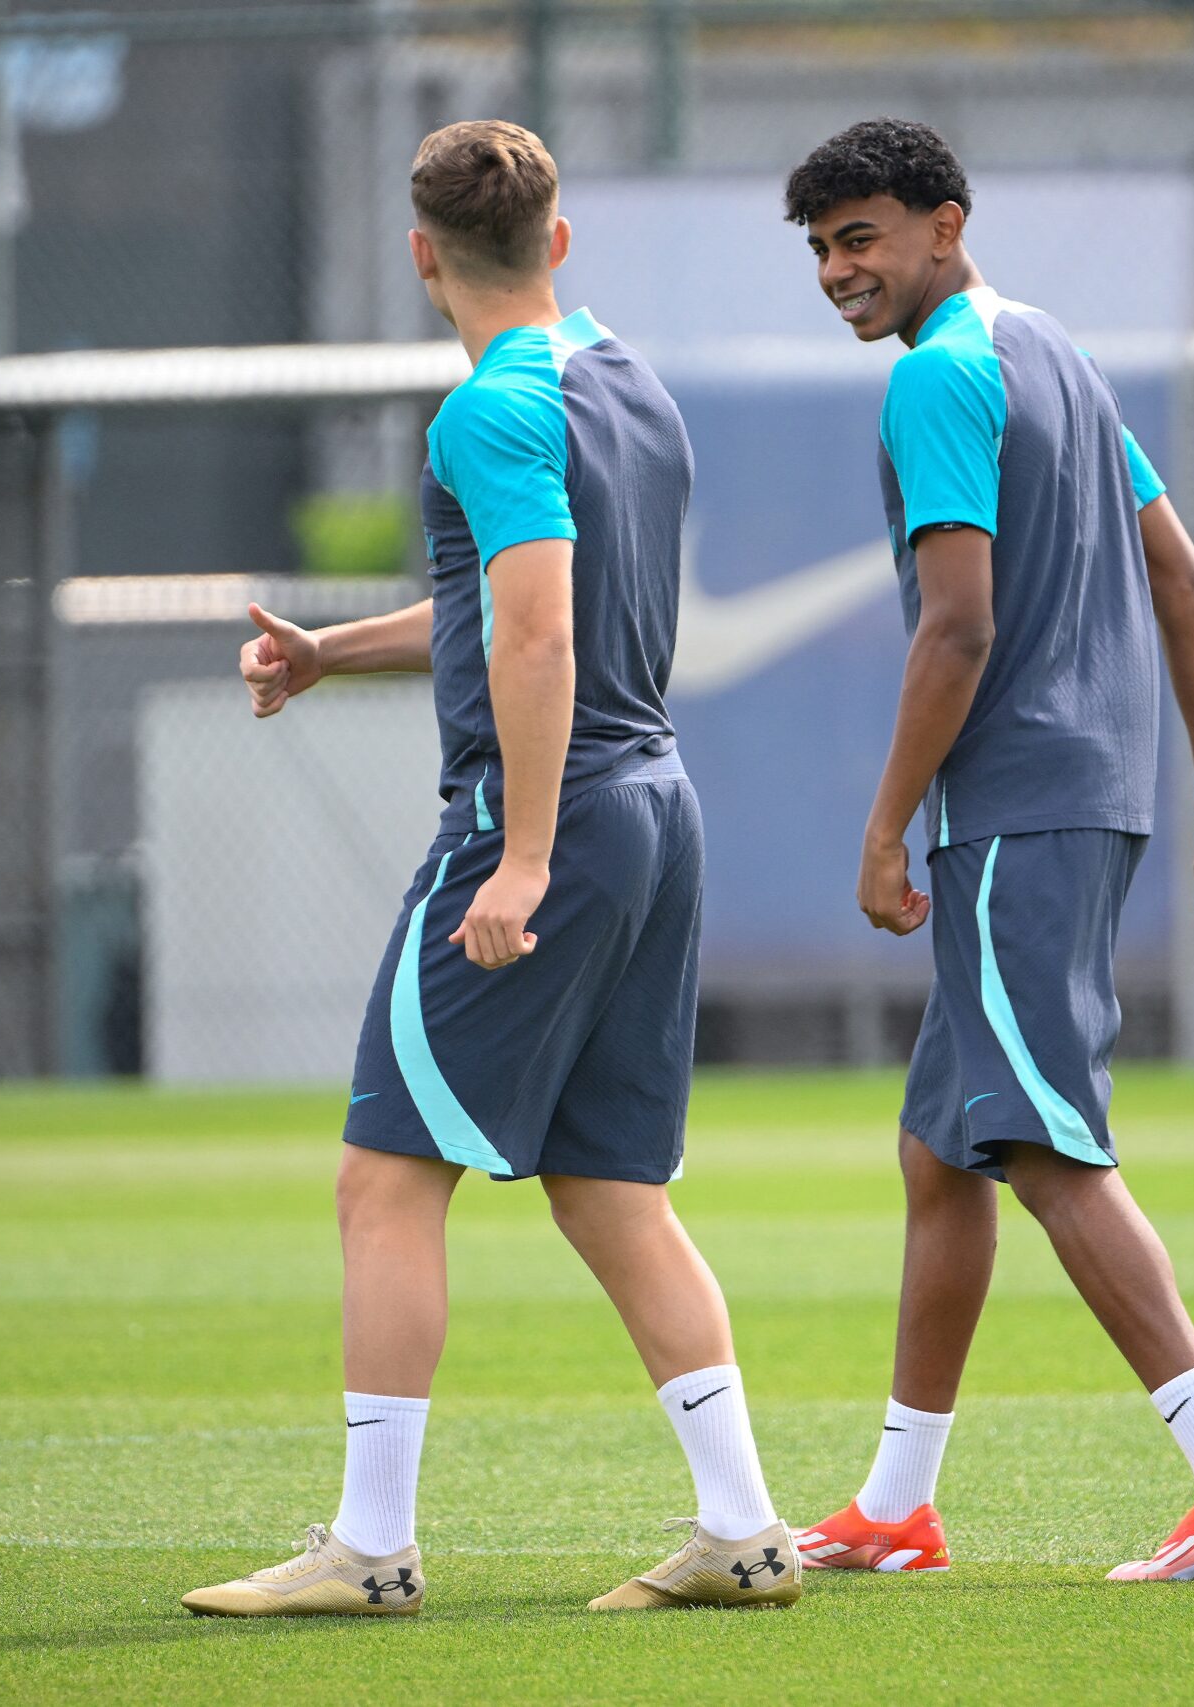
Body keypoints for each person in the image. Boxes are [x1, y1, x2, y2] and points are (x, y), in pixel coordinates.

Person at [180, 119, 799, 1619]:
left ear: (420, 258)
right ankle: (745, 1530)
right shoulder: (628, 385)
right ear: (559, 241)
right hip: (656, 805)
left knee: (384, 1182)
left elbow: (537, 635)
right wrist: (336, 651)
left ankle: (371, 1548)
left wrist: (516, 858)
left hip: (555, 816)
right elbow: (505, 601)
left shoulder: (488, 411)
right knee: (610, 1191)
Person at [780, 117, 1194, 1584]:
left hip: (1012, 813)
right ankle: (897, 1504)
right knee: (942, 1153)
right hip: (1088, 795)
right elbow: (1182, 578)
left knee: (1039, 1145)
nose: (839, 270)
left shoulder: (940, 376)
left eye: (862, 236)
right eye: (821, 248)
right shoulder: (1051, 350)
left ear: (945, 224)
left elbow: (960, 625)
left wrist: (886, 828)